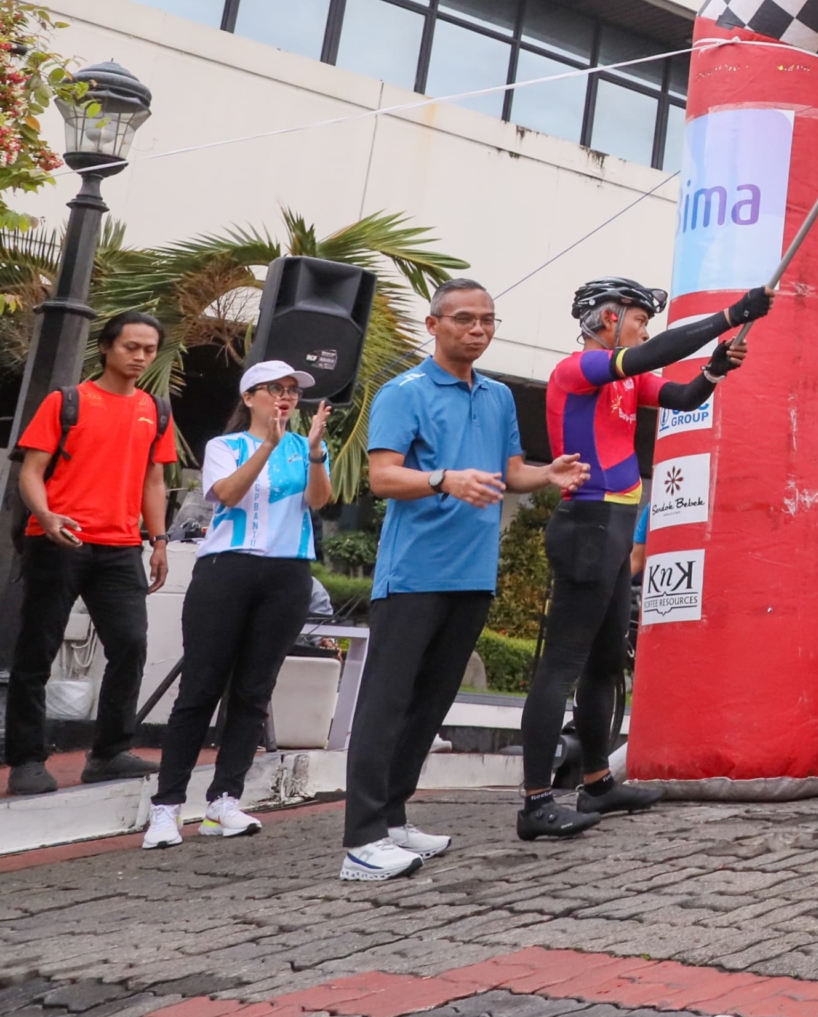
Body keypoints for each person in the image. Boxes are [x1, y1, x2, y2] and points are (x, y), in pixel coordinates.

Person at [354, 279, 588, 880]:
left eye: (487, 319)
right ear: (433, 325)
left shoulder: (499, 396)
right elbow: (382, 478)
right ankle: (362, 841)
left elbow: (510, 472)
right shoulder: (403, 392)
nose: (478, 329)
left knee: (431, 704)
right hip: (413, 574)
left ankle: (394, 819)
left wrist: (547, 474)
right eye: (464, 318)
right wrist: (443, 479)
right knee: (387, 705)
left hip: (473, 573)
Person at [519, 277, 768, 841]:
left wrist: (714, 369)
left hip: (612, 528)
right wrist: (730, 314)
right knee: (561, 665)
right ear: (609, 320)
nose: (645, 330)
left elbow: (682, 397)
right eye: (638, 319)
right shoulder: (577, 369)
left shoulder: (625, 381)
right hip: (586, 524)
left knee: (605, 664)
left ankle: (597, 783)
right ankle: (535, 802)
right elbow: (655, 355)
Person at [142, 361, 335, 848]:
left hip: (287, 572)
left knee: (253, 691)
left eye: (293, 391)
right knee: (200, 688)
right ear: (249, 397)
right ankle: (166, 807)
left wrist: (314, 453)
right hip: (226, 569)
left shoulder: (307, 447)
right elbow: (226, 495)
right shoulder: (224, 447)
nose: (286, 397)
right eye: (275, 389)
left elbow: (318, 501)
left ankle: (223, 801)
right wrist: (268, 445)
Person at [6, 311, 176, 795]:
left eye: (149, 349)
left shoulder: (156, 410)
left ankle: (108, 753)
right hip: (57, 540)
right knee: (37, 649)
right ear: (106, 347)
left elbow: (154, 482)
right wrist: (48, 516)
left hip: (121, 546)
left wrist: (159, 540)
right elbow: (31, 472)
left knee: (131, 643)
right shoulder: (68, 401)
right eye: (131, 347)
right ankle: (26, 760)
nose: (140, 357)